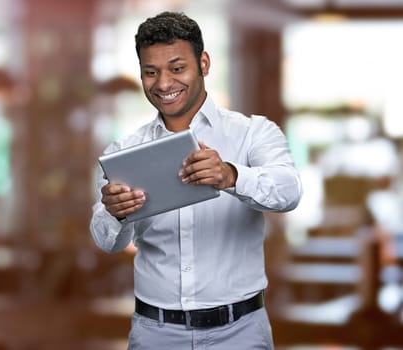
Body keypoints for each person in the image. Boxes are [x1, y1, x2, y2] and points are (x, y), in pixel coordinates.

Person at [90, 11, 302, 350]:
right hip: (154, 333)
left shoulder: (253, 133)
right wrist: (115, 212)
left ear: (203, 63)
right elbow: (106, 240)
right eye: (150, 72)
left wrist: (231, 175)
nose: (163, 84)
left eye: (177, 68)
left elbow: (289, 192)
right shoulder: (125, 150)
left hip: (240, 333)